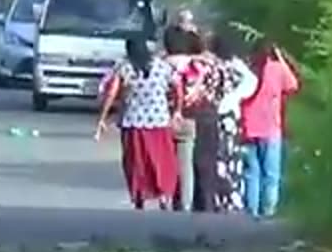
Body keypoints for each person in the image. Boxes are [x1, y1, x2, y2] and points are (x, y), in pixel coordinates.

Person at [95, 35, 180, 210]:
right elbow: (178, 87)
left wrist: (103, 118)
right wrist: (177, 110)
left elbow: (111, 93)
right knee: (161, 160)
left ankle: (139, 196)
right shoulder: (162, 66)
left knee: (136, 162)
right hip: (159, 121)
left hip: (133, 122)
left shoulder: (124, 67)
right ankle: (164, 195)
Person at [241, 38, 300, 218]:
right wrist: (281, 59)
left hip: (248, 128)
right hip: (271, 129)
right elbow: (293, 85)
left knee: (252, 172)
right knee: (271, 175)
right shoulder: (277, 69)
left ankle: (252, 210)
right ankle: (269, 211)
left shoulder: (249, 70)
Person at [188, 32, 246, 212]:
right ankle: (224, 199)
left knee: (204, 159)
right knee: (223, 158)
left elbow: (196, 91)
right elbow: (242, 81)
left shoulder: (205, 67)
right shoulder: (227, 67)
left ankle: (207, 201)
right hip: (221, 113)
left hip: (205, 113)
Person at [162, 25, 202, 212]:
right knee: (186, 165)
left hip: (162, 118)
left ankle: (165, 197)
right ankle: (185, 203)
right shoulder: (196, 65)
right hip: (189, 117)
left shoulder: (160, 64)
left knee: (164, 161)